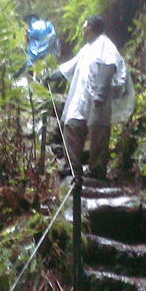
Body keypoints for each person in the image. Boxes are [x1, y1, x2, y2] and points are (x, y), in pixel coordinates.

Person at [46, 16, 134, 180]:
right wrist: (50, 76)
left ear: (91, 26)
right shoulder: (86, 49)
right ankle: (73, 169)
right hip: (81, 97)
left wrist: (100, 93)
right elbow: (69, 67)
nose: (82, 27)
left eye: (84, 24)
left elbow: (109, 66)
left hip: (99, 97)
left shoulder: (105, 45)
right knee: (71, 126)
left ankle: (97, 171)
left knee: (98, 132)